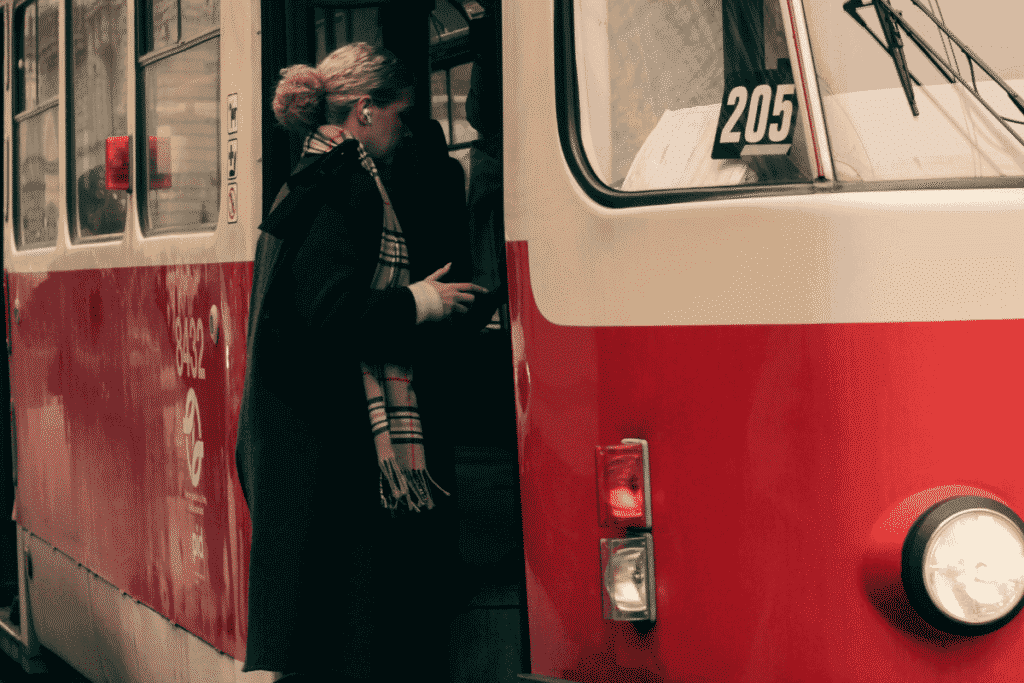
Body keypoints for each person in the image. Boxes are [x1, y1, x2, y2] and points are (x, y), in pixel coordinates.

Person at [234, 42, 487, 681]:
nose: (406, 133)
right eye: (401, 116)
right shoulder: (338, 187)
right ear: (366, 111)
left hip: (319, 445)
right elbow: (332, 320)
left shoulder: (319, 179)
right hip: (325, 450)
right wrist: (419, 302)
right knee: (351, 636)